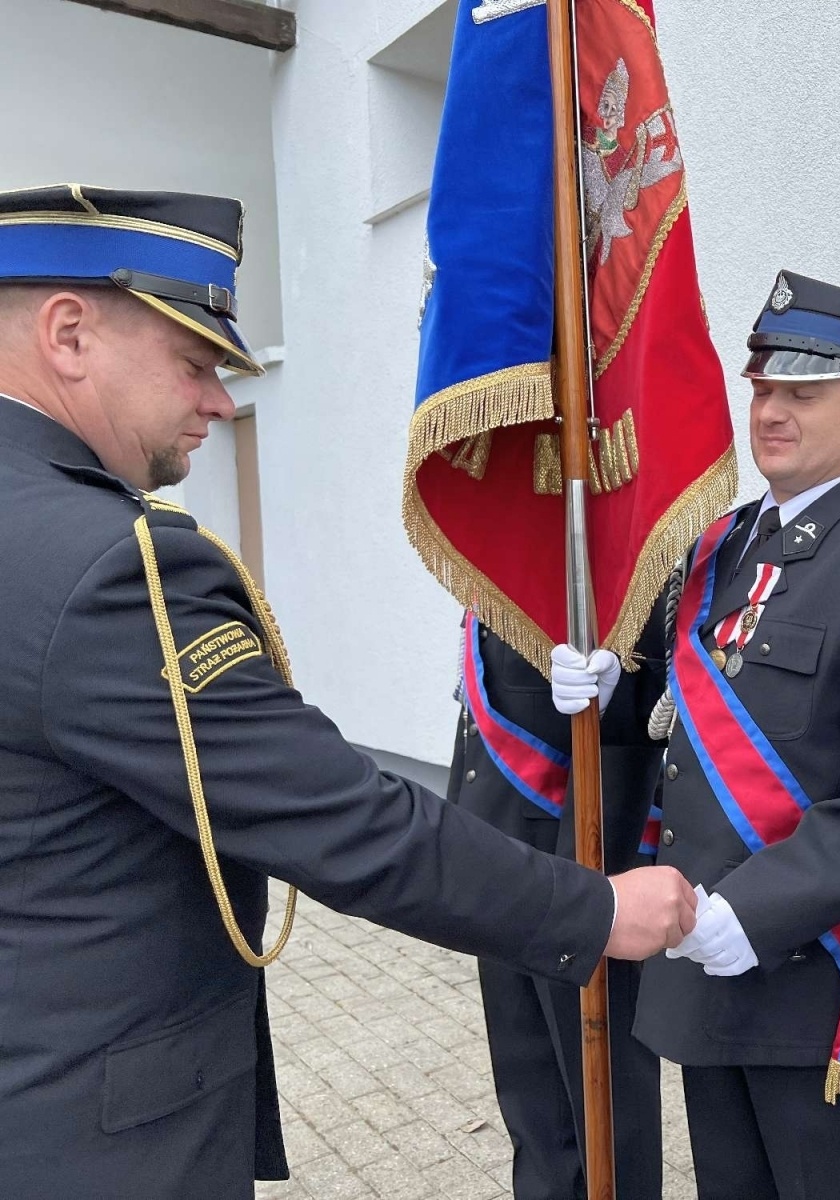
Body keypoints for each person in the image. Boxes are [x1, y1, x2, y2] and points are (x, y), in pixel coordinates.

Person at [0, 183, 696, 1200]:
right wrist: (593, 910)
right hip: (96, 1137)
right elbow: (342, 821)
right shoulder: (113, 567)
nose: (218, 402)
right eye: (195, 363)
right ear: (69, 334)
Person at [556, 270, 840, 1200]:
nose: (774, 410)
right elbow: (682, 727)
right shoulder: (716, 548)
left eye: (806, 390)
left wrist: (749, 916)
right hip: (704, 975)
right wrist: (607, 693)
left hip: (817, 983)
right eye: (763, 388)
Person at [447, 613, 667, 1200]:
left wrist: (618, 690)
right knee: (527, 1086)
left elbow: (653, 678)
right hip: (496, 829)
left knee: (603, 1099)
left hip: (574, 838)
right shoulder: (496, 535)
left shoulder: (592, 527)